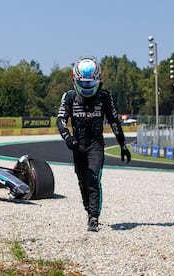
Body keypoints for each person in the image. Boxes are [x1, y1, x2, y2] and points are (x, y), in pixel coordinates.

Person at [56, 56, 131, 232]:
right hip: (78, 145)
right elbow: (60, 120)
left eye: (91, 83)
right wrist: (67, 137)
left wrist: (123, 145)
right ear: (76, 80)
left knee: (93, 179)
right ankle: (88, 210)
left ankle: (94, 217)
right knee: (82, 181)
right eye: (84, 84)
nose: (88, 88)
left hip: (96, 144)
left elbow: (114, 121)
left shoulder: (105, 97)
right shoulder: (69, 97)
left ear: (98, 79)